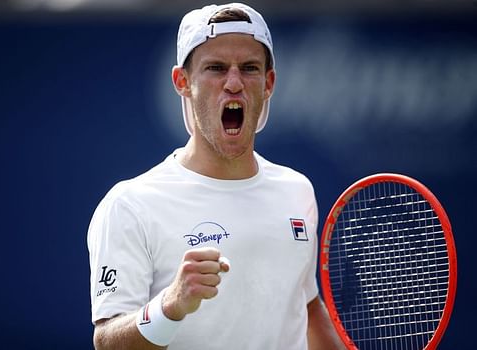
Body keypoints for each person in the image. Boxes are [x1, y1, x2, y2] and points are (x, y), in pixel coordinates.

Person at [88, 3, 345, 349]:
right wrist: (170, 306)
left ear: (268, 83)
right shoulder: (130, 205)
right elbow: (107, 343)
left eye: (250, 68)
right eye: (216, 68)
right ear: (182, 82)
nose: (234, 83)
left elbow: (306, 307)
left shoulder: (297, 191)